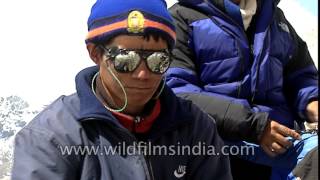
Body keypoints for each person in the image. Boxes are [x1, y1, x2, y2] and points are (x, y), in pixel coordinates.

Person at [11, 0, 233, 179]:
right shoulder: (50, 138)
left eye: (158, 60)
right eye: (126, 59)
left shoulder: (196, 128)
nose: (143, 74)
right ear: (95, 53)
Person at [165, 0, 318, 179]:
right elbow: (178, 92)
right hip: (215, 141)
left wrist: (312, 103)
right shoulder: (181, 18)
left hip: (280, 142)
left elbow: (301, 76)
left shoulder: (276, 19)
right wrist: (254, 125)